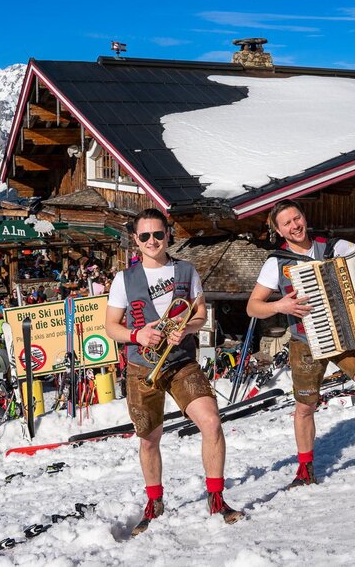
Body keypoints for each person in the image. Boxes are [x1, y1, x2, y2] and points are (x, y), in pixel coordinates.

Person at [246, 199, 355, 490]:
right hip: (305, 340)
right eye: (286, 223)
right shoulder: (277, 262)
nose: (294, 226)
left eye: (296, 218)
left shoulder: (334, 246)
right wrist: (281, 305)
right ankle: (305, 470)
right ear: (278, 230)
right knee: (305, 407)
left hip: (346, 335)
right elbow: (252, 307)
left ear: (304, 217)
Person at [104, 208, 243, 536]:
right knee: (149, 439)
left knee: (211, 422)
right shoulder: (124, 279)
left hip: (181, 361)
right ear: (136, 240)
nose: (152, 241)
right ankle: (154, 500)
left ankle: (216, 497)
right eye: (145, 236)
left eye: (158, 234)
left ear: (168, 235)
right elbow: (111, 326)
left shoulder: (186, 270)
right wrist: (137, 334)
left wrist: (188, 329)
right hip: (142, 366)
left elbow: (198, 314)